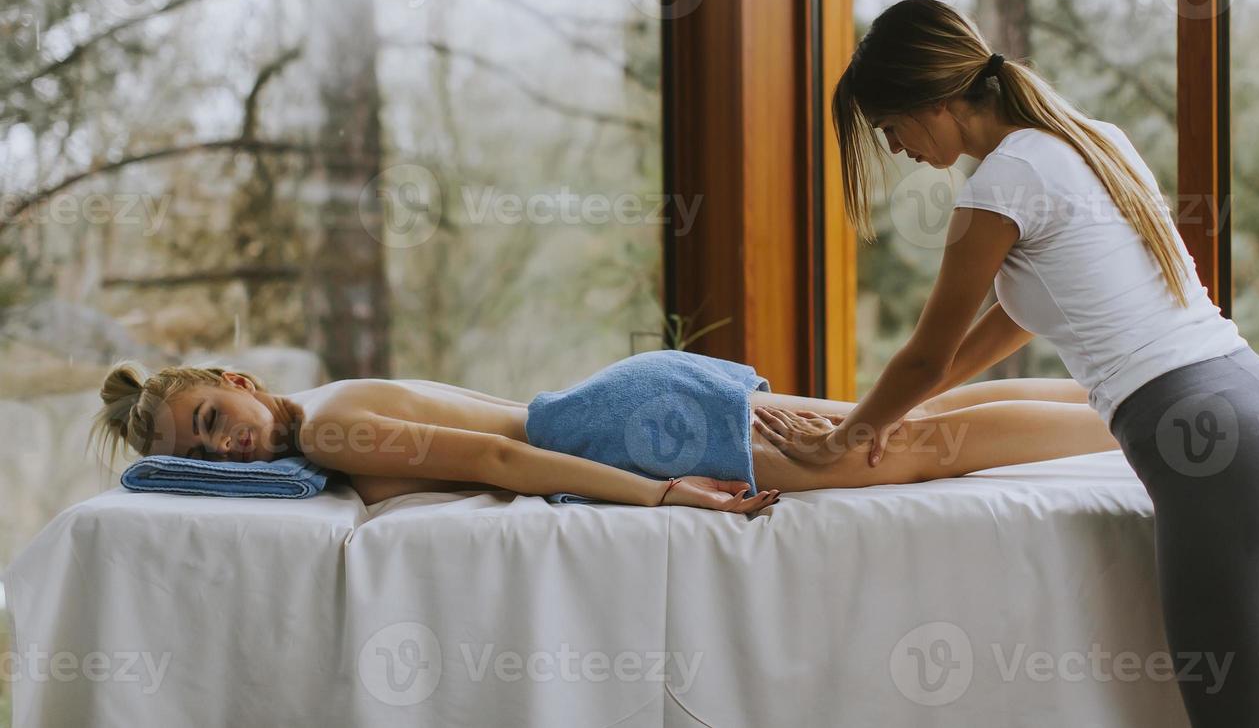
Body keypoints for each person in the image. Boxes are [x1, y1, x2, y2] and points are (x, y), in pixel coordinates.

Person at [755, 0, 1259, 728]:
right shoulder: (1092, 141)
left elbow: (924, 356)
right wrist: (909, 415)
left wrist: (842, 438)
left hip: (1221, 453)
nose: (895, 147)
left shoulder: (998, 187)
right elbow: (1007, 326)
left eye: (890, 127)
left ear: (933, 102)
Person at [87, 350, 1118, 511]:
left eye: (214, 417)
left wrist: (660, 492)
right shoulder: (332, 398)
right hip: (633, 400)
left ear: (240, 379)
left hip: (637, 434)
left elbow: (497, 457)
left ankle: (1132, 424)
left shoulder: (336, 430)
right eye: (200, 448)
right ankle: (1125, 394)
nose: (225, 448)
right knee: (913, 418)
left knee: (916, 446)